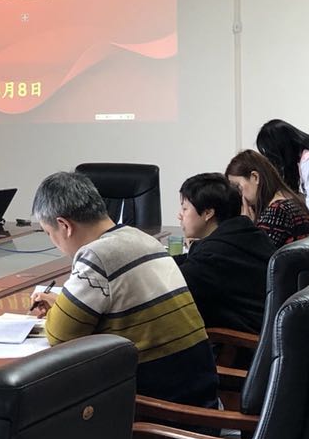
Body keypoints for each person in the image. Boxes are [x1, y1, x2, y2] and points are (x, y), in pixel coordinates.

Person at [28, 171, 217, 407]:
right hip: (198, 391)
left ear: (64, 225)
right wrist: (62, 305)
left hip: (160, 408)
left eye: (49, 233)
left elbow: (60, 335)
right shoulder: (141, 238)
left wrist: (57, 314)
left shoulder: (96, 255)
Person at [173, 173, 274, 334]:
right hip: (267, 333)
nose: (180, 215)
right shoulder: (247, 235)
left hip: (241, 343)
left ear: (208, 213)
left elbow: (171, 285)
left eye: (185, 208)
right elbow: (189, 259)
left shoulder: (213, 257)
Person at [225, 149, 309, 248]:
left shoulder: (278, 210)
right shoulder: (290, 200)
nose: (238, 194)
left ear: (255, 177)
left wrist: (246, 226)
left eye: (238, 186)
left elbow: (255, 254)